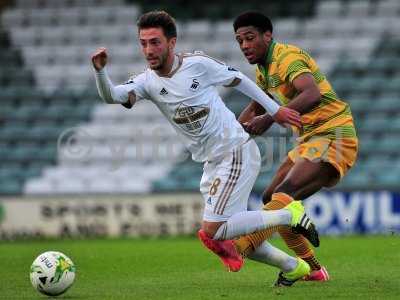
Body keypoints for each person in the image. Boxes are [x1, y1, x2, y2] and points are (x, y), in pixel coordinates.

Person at [91, 10, 320, 286]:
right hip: (212, 162)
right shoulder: (146, 82)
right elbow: (112, 96)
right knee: (228, 232)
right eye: (143, 43)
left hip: (234, 150)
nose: (148, 50)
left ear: (171, 43)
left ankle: (290, 215)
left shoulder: (197, 64)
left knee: (214, 230)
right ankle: (294, 266)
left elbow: (239, 79)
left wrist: (276, 110)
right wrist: (100, 71)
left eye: (155, 42)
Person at [208, 11, 358, 282]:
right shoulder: (263, 70)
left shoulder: (286, 58)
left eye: (250, 38)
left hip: (334, 134)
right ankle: (314, 270)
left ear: (268, 35)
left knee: (285, 195)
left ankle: (241, 246)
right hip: (308, 139)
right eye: (239, 40)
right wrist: (230, 139)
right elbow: (255, 107)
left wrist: (269, 118)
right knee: (272, 200)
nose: (244, 46)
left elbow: (312, 93)